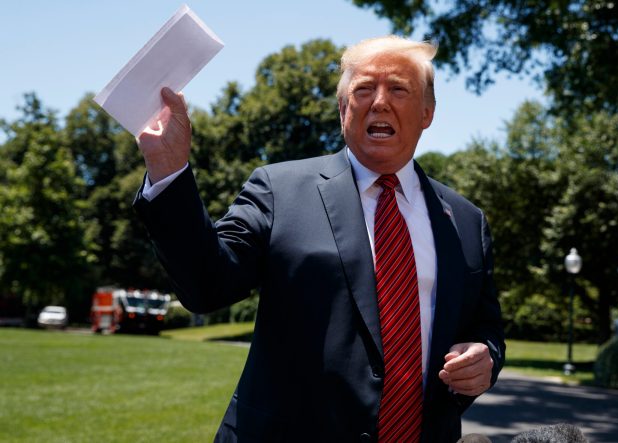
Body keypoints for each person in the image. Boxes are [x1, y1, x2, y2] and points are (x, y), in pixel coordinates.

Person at [133, 35, 505, 442]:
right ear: (343, 109)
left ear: (428, 113)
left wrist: (485, 357)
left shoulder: (466, 221)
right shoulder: (278, 190)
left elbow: (485, 326)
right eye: (363, 89)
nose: (380, 102)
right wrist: (169, 172)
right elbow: (207, 284)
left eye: (399, 89)